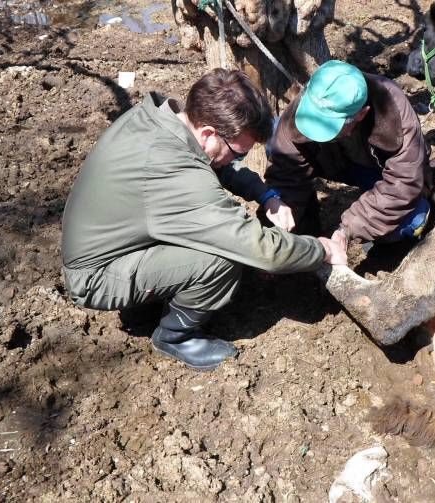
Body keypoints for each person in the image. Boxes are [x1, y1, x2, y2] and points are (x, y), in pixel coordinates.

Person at [61, 69, 346, 371]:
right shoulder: (173, 174)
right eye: (238, 154)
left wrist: (267, 196)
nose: (237, 161)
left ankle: (165, 290)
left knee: (217, 237)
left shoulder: (164, 122)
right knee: (222, 258)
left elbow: (216, 165)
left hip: (115, 241)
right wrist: (322, 250)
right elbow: (261, 250)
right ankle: (174, 336)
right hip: (96, 276)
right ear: (209, 133)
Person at [264, 60, 432, 251]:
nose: (316, 131)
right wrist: (277, 235)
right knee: (276, 133)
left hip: (378, 171)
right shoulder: (312, 100)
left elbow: (403, 184)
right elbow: (286, 174)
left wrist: (346, 230)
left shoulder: (393, 110)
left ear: (362, 114)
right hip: (333, 163)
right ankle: (305, 226)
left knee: (414, 219)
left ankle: (381, 247)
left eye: (328, 126)